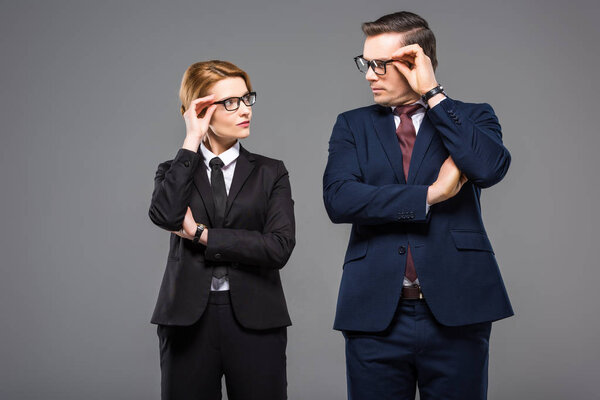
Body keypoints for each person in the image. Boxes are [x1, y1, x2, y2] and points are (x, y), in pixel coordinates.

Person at [323, 11, 513, 400]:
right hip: (374, 312)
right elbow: (340, 199)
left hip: (458, 309)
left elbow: (490, 167)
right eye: (365, 63)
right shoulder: (352, 125)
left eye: (379, 64)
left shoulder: (473, 117)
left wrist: (434, 94)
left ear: (415, 63)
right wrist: (430, 195)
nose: (369, 75)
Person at [148, 60, 295, 400]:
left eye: (247, 99)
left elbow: (278, 247)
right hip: (186, 320)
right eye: (231, 102)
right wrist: (192, 138)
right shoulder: (174, 170)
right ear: (201, 109)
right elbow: (166, 215)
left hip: (257, 318)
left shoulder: (271, 173)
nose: (245, 110)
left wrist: (203, 235)